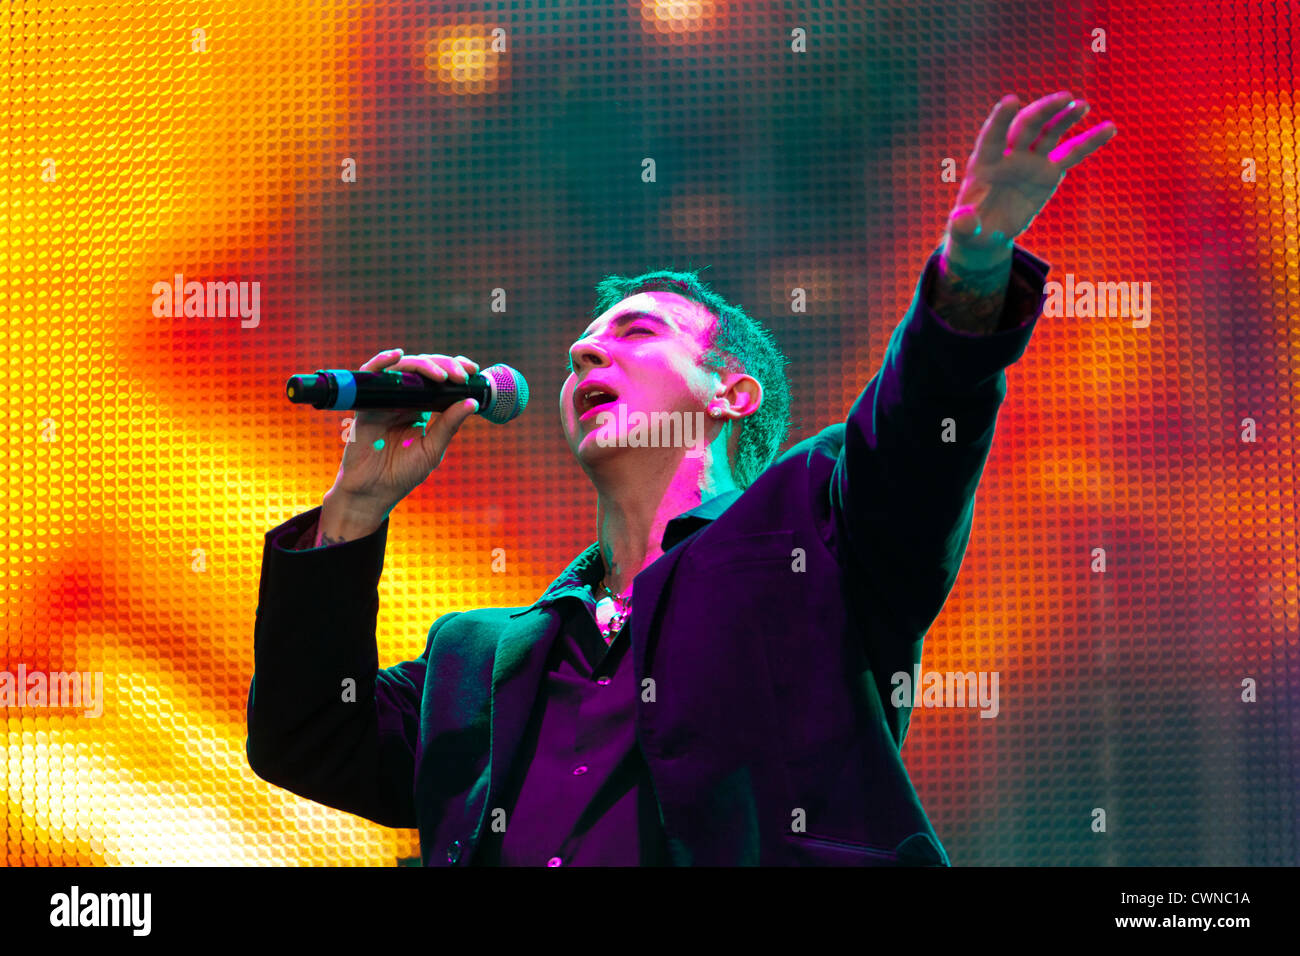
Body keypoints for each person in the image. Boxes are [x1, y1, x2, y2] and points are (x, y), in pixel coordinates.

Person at [246, 91, 1117, 865]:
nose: (586, 348)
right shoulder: (475, 657)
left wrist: (970, 270)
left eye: (636, 332)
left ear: (731, 391)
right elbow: (309, 736)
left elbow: (922, 429)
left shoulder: (816, 532)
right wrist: (356, 503)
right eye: (582, 346)